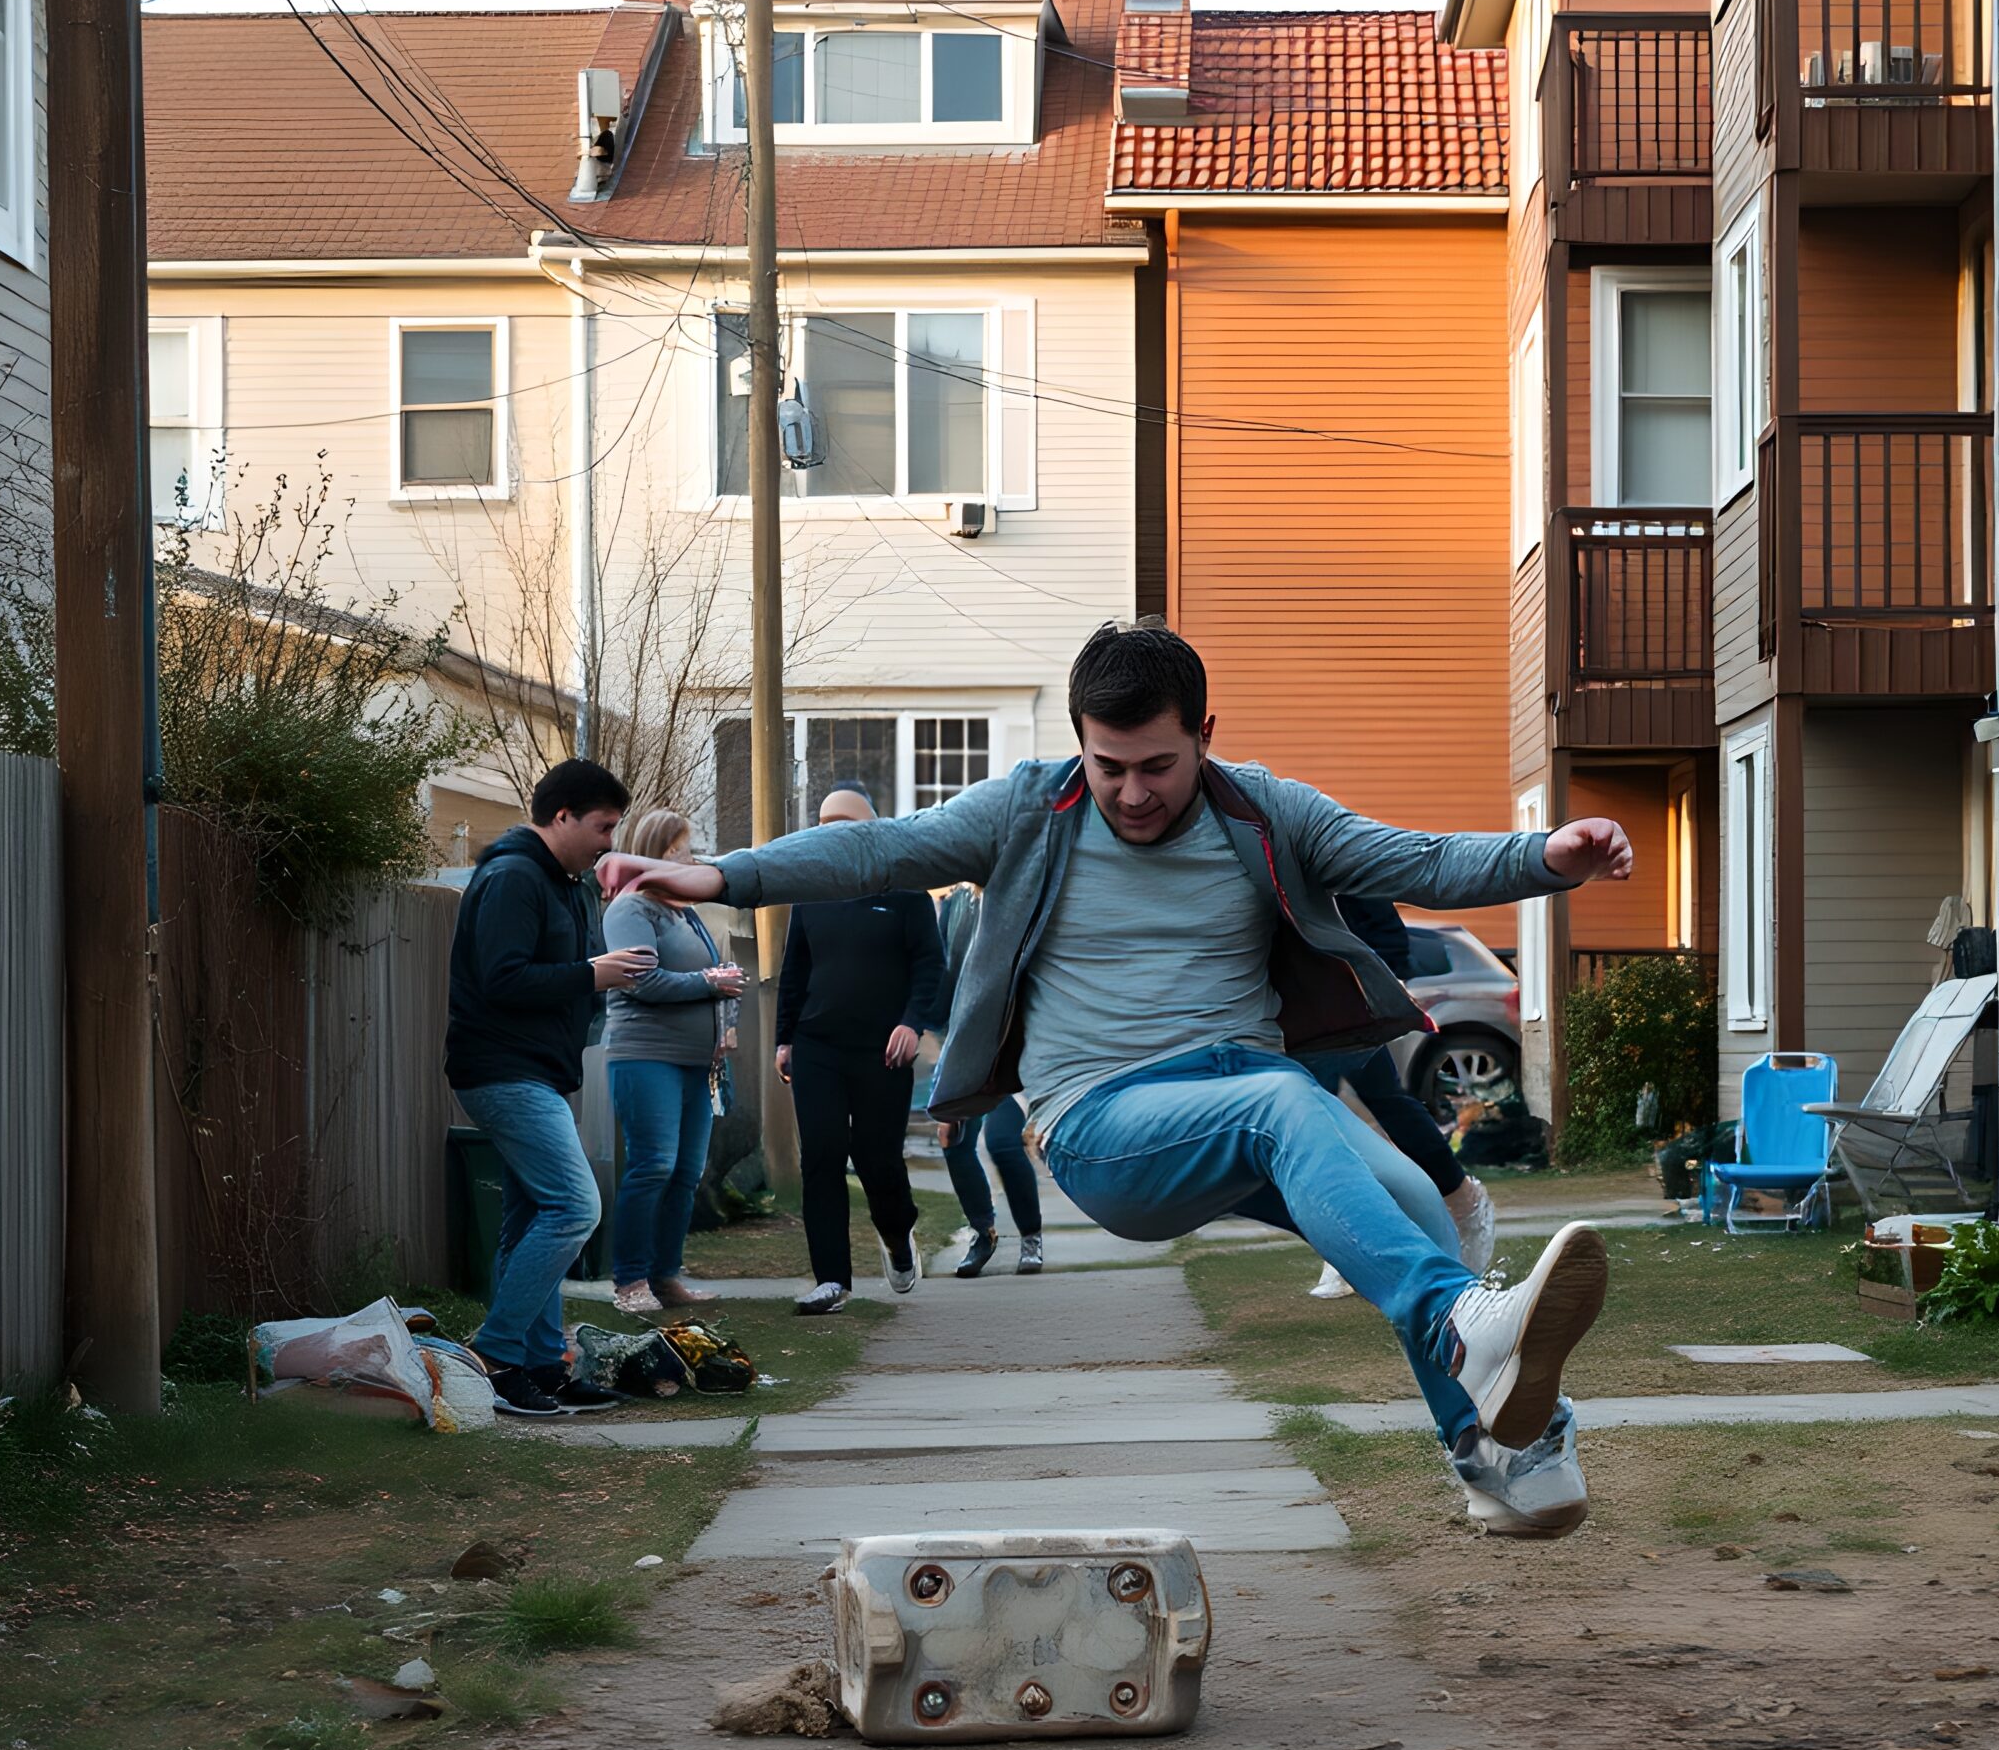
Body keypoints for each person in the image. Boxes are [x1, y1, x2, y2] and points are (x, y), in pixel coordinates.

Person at [603, 624, 1634, 1537]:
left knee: (1418, 1205)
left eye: (1158, 765)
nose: (1133, 792)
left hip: (1237, 1100)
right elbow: (879, 849)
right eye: (1109, 766)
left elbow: (1412, 858)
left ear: (1205, 734)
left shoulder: (1266, 809)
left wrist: (1547, 853)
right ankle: (1464, 1331)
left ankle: (1498, 1461)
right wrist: (723, 875)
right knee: (1289, 1107)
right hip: (1102, 1124)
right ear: (1077, 741)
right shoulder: (1027, 811)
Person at [445, 757, 650, 1418]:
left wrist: (600, 977)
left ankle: (538, 1366)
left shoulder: (568, 882)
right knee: (574, 1207)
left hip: (542, 1069)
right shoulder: (511, 878)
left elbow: (564, 971)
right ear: (561, 816)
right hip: (502, 1070)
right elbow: (503, 979)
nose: (608, 841)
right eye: (602, 826)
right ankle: (496, 1353)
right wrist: (593, 974)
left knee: (532, 1219)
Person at [774, 787, 946, 1316]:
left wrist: (912, 1024)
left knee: (876, 1159)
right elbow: (795, 970)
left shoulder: (905, 891)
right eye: (824, 821)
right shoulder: (811, 891)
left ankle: (897, 1236)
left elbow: (930, 967)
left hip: (883, 1051)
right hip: (817, 1045)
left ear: (870, 825)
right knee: (822, 1156)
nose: (833, 829)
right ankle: (831, 1280)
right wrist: (784, 1038)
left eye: (844, 819)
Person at [1303, 894, 1496, 1302]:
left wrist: (1384, 985)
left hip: (1356, 997)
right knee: (1326, 1118)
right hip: (1301, 1001)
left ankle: (1464, 1203)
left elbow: (1379, 919)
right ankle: (1349, 1238)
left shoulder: (1330, 846)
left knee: (1383, 1106)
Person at [601, 807, 745, 1318]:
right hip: (646, 1057)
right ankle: (629, 1280)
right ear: (652, 854)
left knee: (687, 1172)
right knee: (653, 1166)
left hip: (695, 1064)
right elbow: (640, 981)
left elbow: (711, 977)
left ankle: (666, 1274)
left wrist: (725, 1009)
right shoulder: (631, 909)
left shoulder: (684, 913)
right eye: (678, 851)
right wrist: (709, 982)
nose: (689, 859)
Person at [929, 882, 1045, 1278]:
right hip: (967, 1036)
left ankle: (1031, 1236)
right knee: (952, 1137)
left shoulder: (1023, 890)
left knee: (1003, 1142)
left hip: (1017, 1037)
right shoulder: (959, 900)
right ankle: (984, 1232)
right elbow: (946, 966)